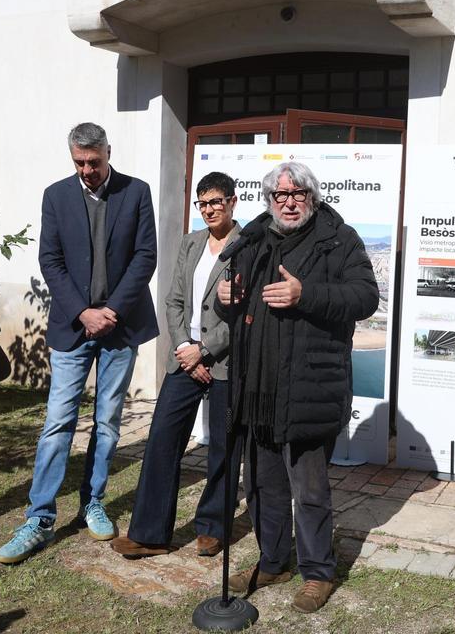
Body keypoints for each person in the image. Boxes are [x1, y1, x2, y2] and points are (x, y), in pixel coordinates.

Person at [215, 161, 378, 613]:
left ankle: (317, 572)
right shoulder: (253, 239)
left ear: (313, 196)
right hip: (258, 387)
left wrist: (306, 294)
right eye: (279, 195)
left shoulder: (338, 239)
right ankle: (273, 560)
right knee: (263, 485)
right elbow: (233, 297)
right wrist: (224, 298)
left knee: (309, 489)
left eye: (298, 193)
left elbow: (365, 297)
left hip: (310, 387)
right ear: (268, 201)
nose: (289, 202)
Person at [0, 122, 159, 564]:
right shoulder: (56, 195)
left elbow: (146, 256)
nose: (87, 170)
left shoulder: (136, 191)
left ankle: (94, 501)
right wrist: (82, 312)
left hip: (121, 327)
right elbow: (50, 258)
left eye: (94, 161)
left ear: (109, 152)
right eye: (79, 163)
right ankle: (39, 516)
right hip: (73, 327)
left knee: (107, 422)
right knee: (57, 424)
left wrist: (112, 311)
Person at [111, 171, 240, 558]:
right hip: (184, 360)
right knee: (163, 442)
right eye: (203, 203)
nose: (209, 209)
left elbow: (248, 312)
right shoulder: (191, 243)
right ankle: (150, 534)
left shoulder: (249, 246)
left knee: (223, 447)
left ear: (233, 202)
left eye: (216, 201)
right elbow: (174, 301)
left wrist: (206, 351)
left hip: (225, 363)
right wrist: (185, 346)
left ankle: (213, 528)